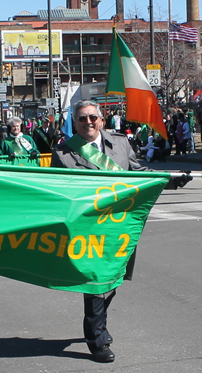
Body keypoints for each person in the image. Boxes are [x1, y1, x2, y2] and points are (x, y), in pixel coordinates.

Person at [51, 100, 192, 363]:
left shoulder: (121, 144)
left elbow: (140, 175)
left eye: (93, 117)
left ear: (102, 120)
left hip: (119, 227)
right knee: (96, 283)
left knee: (113, 282)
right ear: (75, 122)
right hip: (88, 230)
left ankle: (97, 326)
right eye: (82, 118)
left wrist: (171, 179)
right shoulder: (63, 153)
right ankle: (97, 339)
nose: (88, 122)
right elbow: (59, 194)